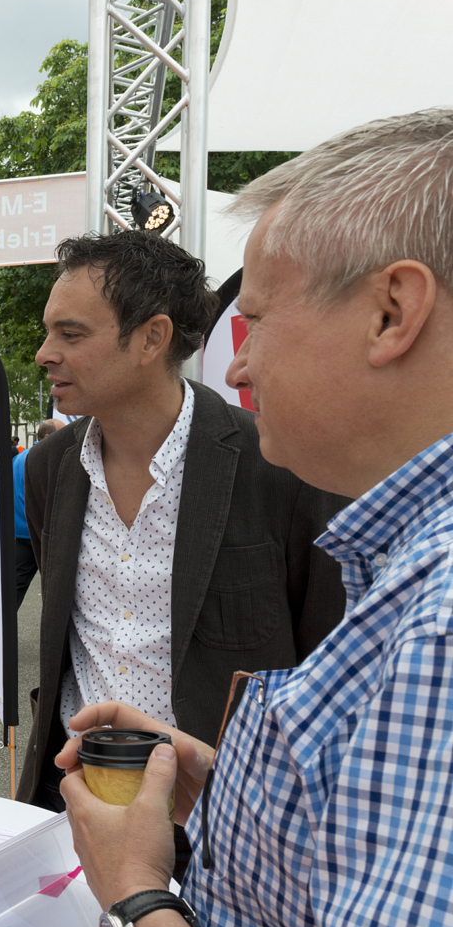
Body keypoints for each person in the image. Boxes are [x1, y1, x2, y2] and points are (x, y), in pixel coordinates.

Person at [58, 109, 453, 927]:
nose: (237, 366)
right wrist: (241, 792)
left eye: (260, 320)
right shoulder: (407, 558)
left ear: (394, 311)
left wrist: (134, 900)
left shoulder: (441, 627)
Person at [18, 230, 347, 814]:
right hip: (76, 798)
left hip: (227, 817)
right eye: (49, 331)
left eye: (71, 334)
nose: (44, 352)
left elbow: (330, 660)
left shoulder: (277, 464)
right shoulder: (50, 468)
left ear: (152, 338)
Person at [13, 418, 63, 607]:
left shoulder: (19, 457)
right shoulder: (45, 459)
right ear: (49, 437)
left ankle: (0, 633)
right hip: (43, 533)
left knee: (14, 588)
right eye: (62, 433)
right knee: (56, 589)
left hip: (22, 532)